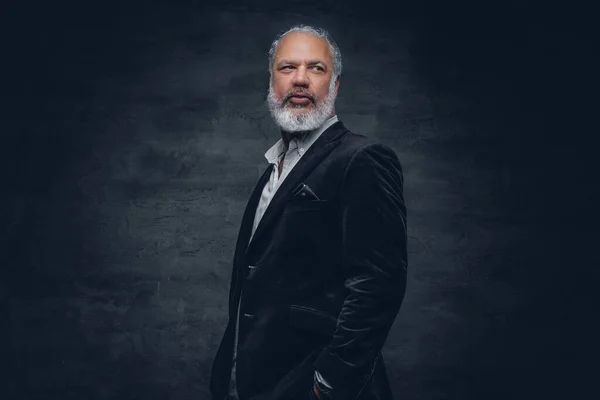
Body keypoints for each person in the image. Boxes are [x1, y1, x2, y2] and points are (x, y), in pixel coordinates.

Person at [209, 24, 407, 400]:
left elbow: (378, 285)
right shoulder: (273, 170)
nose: (300, 79)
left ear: (335, 86)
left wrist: (328, 383)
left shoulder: (362, 159)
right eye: (287, 68)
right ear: (271, 82)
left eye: (316, 68)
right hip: (252, 382)